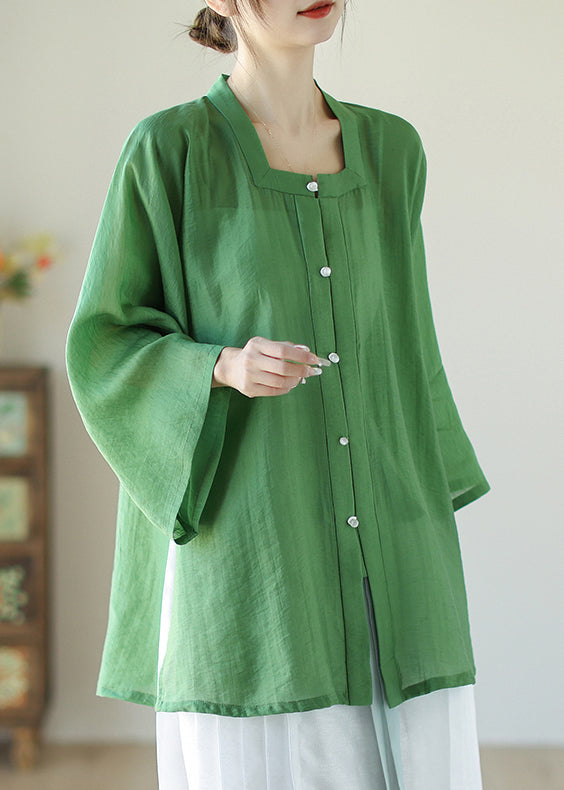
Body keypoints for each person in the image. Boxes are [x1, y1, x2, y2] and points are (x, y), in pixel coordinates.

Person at [65, 1, 492, 788]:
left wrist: (428, 485)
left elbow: (408, 342)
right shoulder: (170, 150)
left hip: (392, 526)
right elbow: (105, 343)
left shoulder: (393, 151)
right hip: (255, 540)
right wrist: (221, 366)